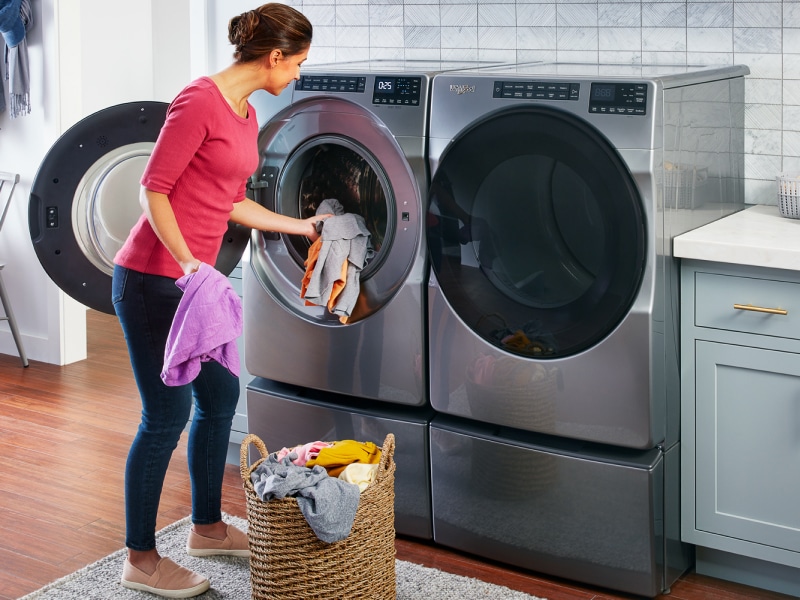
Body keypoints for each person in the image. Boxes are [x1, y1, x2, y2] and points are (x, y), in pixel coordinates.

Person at [112, 4, 325, 598]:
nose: (300, 76)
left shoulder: (246, 111)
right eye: (300, 64)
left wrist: (299, 226)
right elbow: (153, 189)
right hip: (154, 281)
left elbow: (229, 200)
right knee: (165, 417)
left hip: (189, 284)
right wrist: (187, 265)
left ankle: (206, 527)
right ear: (275, 56)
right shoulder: (198, 101)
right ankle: (140, 558)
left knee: (221, 395)